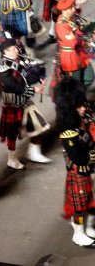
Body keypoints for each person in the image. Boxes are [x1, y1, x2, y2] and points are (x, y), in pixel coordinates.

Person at [0, 38, 51, 170]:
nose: (17, 50)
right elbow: (15, 87)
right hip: (13, 104)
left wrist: (40, 77)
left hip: (25, 101)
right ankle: (12, 159)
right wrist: (35, 90)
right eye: (14, 48)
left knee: (38, 125)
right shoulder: (3, 69)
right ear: (6, 51)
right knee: (12, 134)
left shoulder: (18, 59)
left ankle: (34, 153)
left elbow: (30, 71)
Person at [54, 77, 95, 247]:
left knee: (92, 201)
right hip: (80, 171)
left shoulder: (79, 116)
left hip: (90, 169)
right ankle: (78, 234)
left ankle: (91, 227)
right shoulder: (68, 132)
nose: (83, 108)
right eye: (79, 106)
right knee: (79, 206)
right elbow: (78, 158)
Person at [54, 0, 94, 89]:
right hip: (70, 58)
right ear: (64, 11)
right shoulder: (61, 25)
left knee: (89, 77)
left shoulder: (71, 18)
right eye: (71, 8)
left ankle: (81, 93)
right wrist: (84, 40)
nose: (73, 9)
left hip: (81, 54)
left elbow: (78, 32)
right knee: (75, 84)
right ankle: (79, 98)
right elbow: (72, 44)